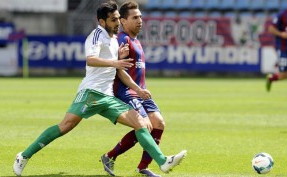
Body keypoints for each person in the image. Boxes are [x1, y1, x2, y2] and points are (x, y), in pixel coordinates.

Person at [12, 1, 186, 176]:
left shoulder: (114, 40)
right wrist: (115, 61)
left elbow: (117, 67)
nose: (117, 23)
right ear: (102, 22)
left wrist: (121, 61)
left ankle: (162, 161)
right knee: (65, 126)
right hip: (90, 92)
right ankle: (24, 155)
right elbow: (91, 59)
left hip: (108, 97)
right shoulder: (96, 35)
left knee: (140, 123)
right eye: (113, 20)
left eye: (118, 19)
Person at [100, 2, 167, 177]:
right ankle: (110, 156)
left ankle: (142, 167)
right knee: (146, 126)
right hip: (128, 92)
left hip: (141, 91)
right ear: (123, 21)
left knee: (158, 123)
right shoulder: (123, 39)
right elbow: (116, 67)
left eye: (141, 17)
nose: (140, 20)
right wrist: (136, 88)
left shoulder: (135, 40)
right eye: (135, 18)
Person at [266, 0, 287, 104]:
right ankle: (271, 78)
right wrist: (281, 34)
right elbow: (271, 29)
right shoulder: (282, 15)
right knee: (284, 75)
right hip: (284, 50)